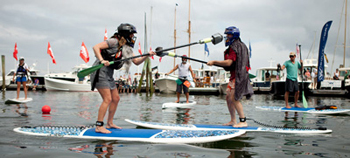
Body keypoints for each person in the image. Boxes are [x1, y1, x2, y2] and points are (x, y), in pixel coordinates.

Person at [90, 23, 156, 134]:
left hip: (109, 74)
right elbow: (96, 47)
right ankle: (99, 126)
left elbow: (136, 62)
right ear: (125, 34)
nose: (132, 37)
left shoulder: (127, 49)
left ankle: (109, 123)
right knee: (107, 99)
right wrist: (102, 60)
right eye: (131, 35)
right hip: (99, 72)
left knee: (116, 98)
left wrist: (147, 55)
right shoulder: (113, 42)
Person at [207, 26, 253, 127]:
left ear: (234, 36)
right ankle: (233, 120)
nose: (227, 37)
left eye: (229, 35)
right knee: (228, 97)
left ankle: (243, 121)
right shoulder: (242, 45)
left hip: (238, 76)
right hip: (236, 76)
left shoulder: (234, 47)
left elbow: (228, 63)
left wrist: (214, 62)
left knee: (234, 98)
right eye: (226, 35)